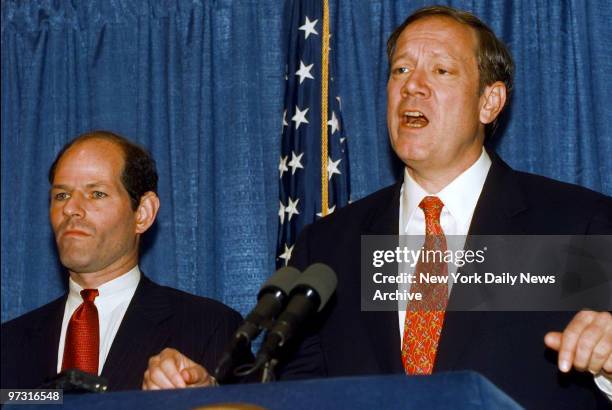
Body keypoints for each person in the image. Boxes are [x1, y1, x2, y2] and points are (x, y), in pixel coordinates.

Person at [140, 6, 612, 408]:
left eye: (441, 71)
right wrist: (212, 395)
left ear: (490, 101)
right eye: (401, 70)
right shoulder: (331, 248)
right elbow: (297, 395)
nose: (413, 87)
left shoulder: (574, 224)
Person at [1, 131, 240, 391]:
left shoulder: (210, 328)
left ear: (143, 213)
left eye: (97, 194)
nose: (70, 208)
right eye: (61, 195)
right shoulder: (8, 344)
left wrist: (204, 400)